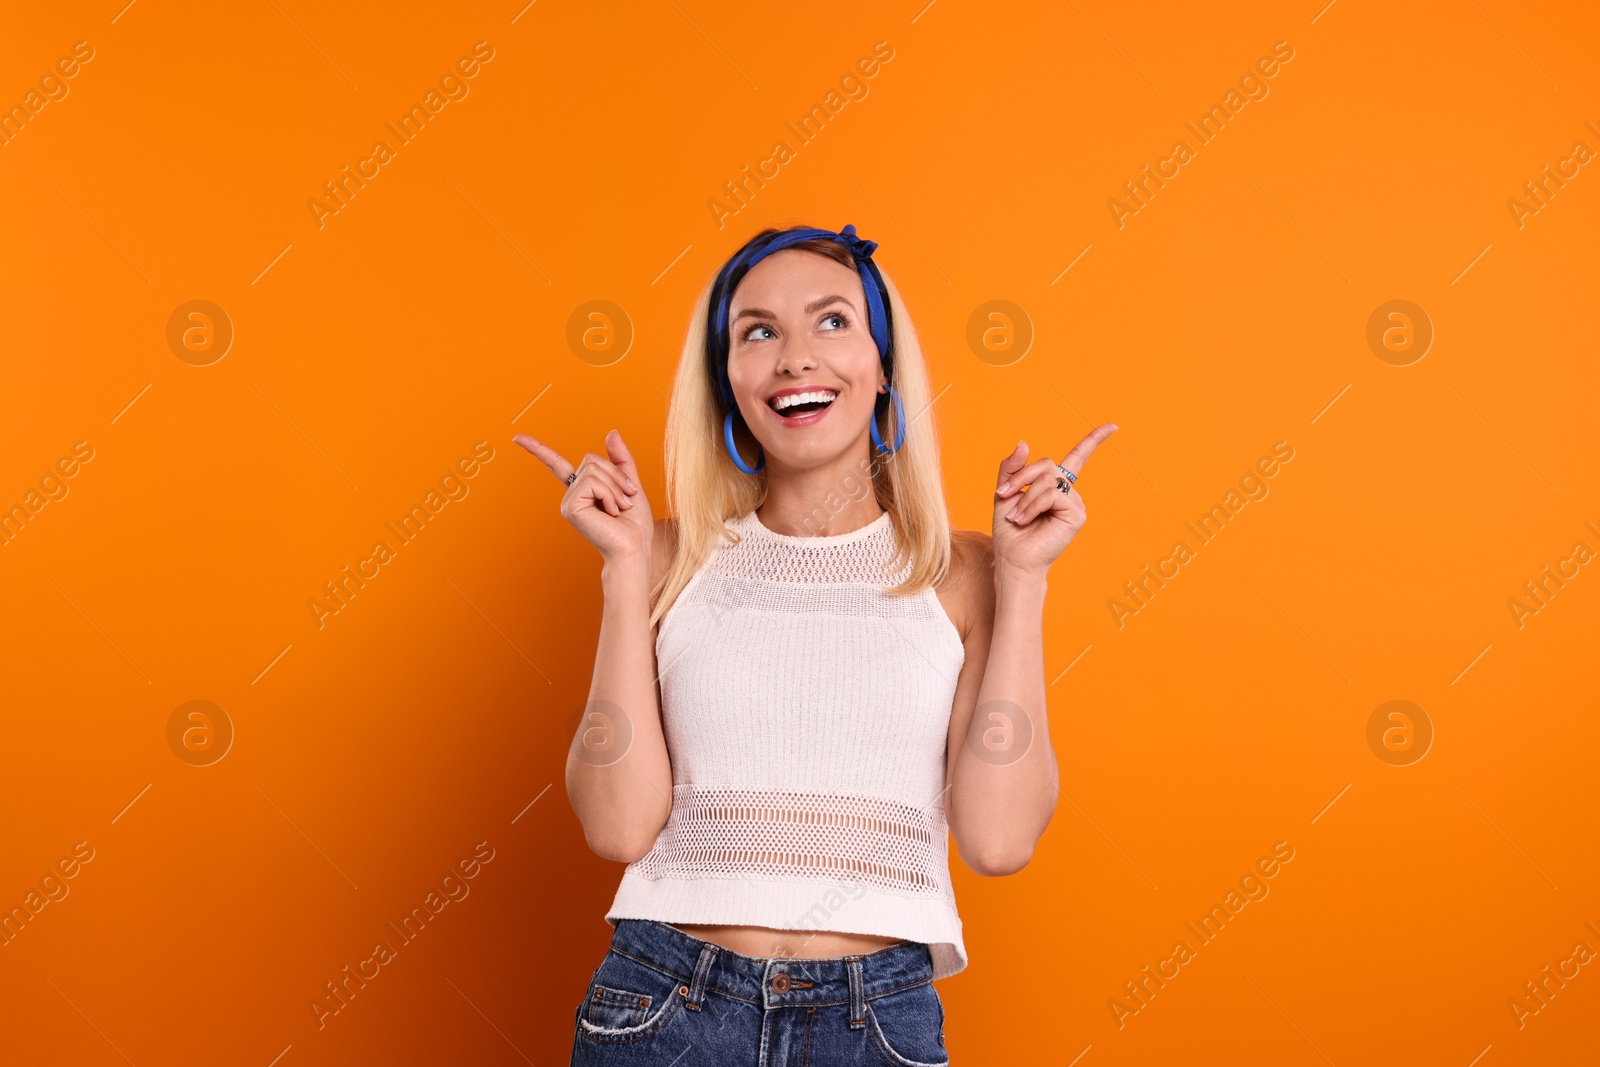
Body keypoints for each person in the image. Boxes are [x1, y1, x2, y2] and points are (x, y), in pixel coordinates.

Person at [515, 223, 1117, 1065]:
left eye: (831, 321)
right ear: (727, 382)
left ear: (882, 366)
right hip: (665, 1009)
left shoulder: (969, 571)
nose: (796, 357)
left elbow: (999, 840)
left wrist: (1025, 580)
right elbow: (618, 827)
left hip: (875, 1022)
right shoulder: (661, 559)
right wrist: (621, 572)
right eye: (758, 331)